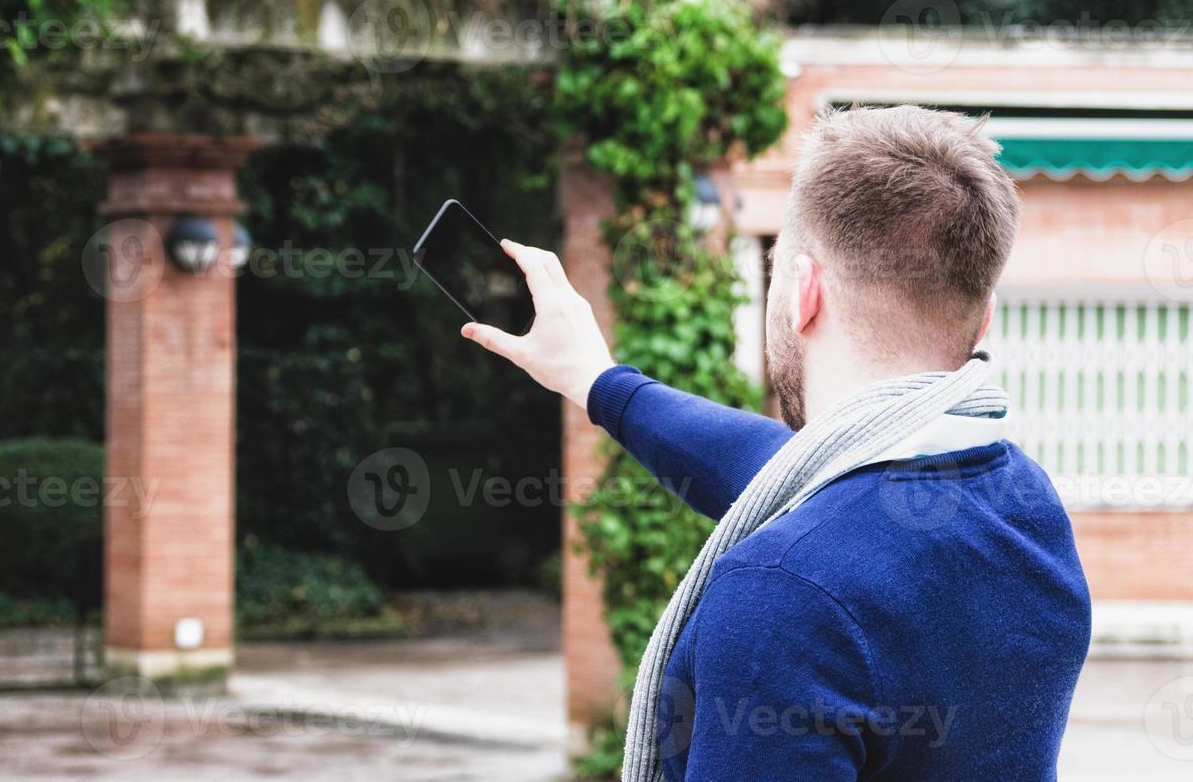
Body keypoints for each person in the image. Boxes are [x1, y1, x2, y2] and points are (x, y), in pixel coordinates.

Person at [462, 105, 1091, 781]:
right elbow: (779, 470)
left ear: (801, 290)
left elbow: (825, 519)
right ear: (984, 314)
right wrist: (596, 382)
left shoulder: (786, 593)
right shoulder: (1024, 505)